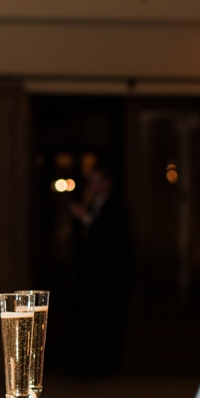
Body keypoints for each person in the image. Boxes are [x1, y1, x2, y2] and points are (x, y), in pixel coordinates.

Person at [68, 161, 134, 378]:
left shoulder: (115, 206)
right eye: (91, 181)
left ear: (107, 182)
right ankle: (89, 365)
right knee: (90, 321)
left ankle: (106, 368)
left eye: (97, 181)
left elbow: (110, 240)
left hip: (109, 279)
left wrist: (85, 219)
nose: (93, 185)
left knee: (107, 321)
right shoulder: (94, 204)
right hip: (91, 277)